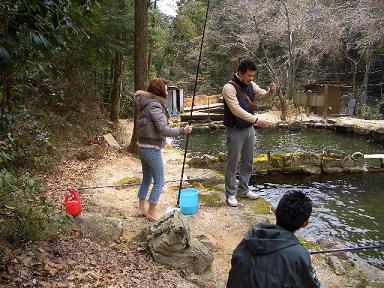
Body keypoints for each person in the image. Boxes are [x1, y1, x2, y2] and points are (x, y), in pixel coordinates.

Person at [227, 191, 322, 288]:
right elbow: (313, 285)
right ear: (305, 224)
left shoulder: (251, 235)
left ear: (275, 212)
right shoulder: (299, 255)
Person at [135, 78, 192, 221]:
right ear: (160, 91)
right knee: (160, 181)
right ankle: (151, 212)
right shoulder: (155, 106)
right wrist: (182, 130)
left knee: (147, 179)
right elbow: (163, 130)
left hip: (142, 146)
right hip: (151, 148)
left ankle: (141, 209)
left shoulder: (146, 104)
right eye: (166, 89)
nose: (167, 91)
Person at [222, 59, 276, 207]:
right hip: (235, 130)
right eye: (249, 76)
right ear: (240, 73)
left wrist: (271, 92)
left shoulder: (251, 84)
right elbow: (236, 110)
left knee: (248, 161)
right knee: (232, 163)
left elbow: (262, 96)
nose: (251, 79)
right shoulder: (229, 87)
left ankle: (244, 189)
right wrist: (256, 120)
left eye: (253, 76)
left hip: (249, 129)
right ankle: (230, 193)